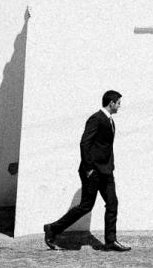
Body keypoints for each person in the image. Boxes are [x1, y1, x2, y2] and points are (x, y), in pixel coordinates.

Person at [44, 90, 130, 251]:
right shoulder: (96, 119)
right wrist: (89, 168)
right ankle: (53, 229)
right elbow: (85, 143)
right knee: (86, 206)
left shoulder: (110, 121)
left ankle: (111, 241)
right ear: (111, 103)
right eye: (118, 103)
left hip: (106, 171)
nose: (120, 106)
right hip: (93, 171)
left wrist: (110, 166)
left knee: (112, 203)